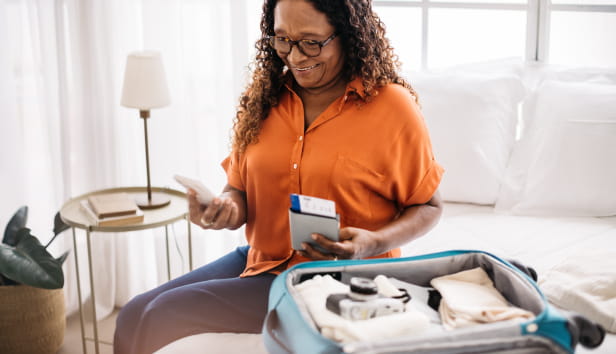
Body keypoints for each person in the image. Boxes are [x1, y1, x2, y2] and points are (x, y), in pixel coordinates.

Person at [114, 0, 443, 352]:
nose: (296, 56)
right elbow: (238, 189)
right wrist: (224, 209)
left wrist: (372, 243)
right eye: (283, 39)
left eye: (311, 42)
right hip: (264, 260)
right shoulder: (264, 99)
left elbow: (428, 206)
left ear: (348, 35)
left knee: (164, 313)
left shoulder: (392, 107)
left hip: (340, 278)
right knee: (133, 313)